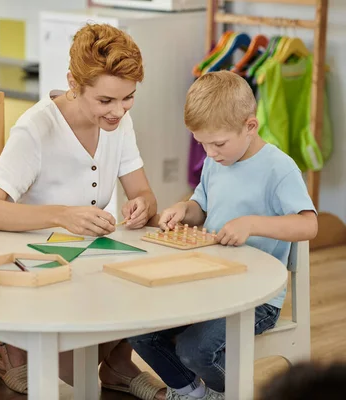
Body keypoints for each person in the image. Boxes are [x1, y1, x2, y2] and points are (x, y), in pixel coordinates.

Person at [0, 23, 161, 399]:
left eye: (128, 98)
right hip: (39, 267)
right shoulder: (36, 128)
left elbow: (142, 192)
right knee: (68, 375)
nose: (118, 111)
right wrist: (61, 215)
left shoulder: (120, 123)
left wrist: (143, 206)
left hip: (89, 260)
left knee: (152, 280)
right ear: (74, 83)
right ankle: (13, 348)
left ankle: (119, 364)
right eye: (105, 101)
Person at [128, 71, 318, 400]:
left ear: (250, 126)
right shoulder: (217, 161)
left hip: (257, 297)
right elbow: (202, 207)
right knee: (139, 330)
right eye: (202, 143)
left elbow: (308, 224)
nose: (210, 153)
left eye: (217, 143)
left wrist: (253, 224)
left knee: (195, 350)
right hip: (211, 282)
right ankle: (192, 392)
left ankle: (231, 392)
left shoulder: (278, 169)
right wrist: (183, 209)